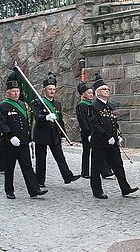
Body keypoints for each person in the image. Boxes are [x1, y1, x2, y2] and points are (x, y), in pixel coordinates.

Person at [89, 73, 138, 199]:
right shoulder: (94, 106)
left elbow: (114, 123)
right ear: (98, 92)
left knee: (118, 165)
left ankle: (125, 188)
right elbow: (94, 124)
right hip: (100, 142)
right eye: (105, 89)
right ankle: (97, 190)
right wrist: (106, 136)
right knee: (97, 167)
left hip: (113, 142)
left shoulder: (111, 106)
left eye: (108, 89)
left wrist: (119, 135)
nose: (107, 91)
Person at [0, 69, 48, 199]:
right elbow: (2, 124)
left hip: (23, 142)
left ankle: (34, 190)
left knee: (27, 167)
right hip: (10, 143)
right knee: (10, 168)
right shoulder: (3, 106)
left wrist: (30, 138)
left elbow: (27, 122)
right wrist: (10, 136)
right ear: (8, 93)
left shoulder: (22, 104)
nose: (16, 93)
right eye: (13, 92)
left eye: (17, 91)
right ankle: (9, 191)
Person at [32, 72, 81, 187]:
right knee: (41, 159)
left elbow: (60, 120)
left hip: (54, 134)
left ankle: (67, 176)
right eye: (50, 89)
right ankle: (40, 181)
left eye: (54, 89)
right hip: (42, 134)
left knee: (60, 156)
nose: (52, 91)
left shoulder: (57, 104)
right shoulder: (39, 102)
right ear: (45, 90)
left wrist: (63, 134)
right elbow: (37, 117)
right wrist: (46, 117)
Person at [75, 81, 113, 179]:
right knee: (87, 151)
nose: (91, 95)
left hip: (95, 131)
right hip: (87, 132)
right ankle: (85, 171)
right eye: (89, 93)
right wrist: (88, 133)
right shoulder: (81, 106)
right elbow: (83, 121)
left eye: (92, 93)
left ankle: (105, 171)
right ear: (83, 94)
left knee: (99, 151)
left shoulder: (92, 105)